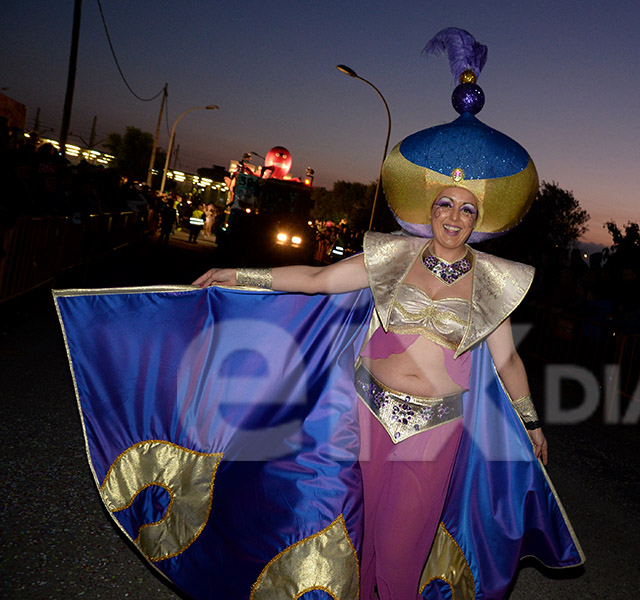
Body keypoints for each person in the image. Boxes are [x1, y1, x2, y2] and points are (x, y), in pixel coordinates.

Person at [55, 28, 581, 600]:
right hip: (362, 418)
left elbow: (506, 362)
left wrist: (530, 423)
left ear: (479, 219)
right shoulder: (390, 256)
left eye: (467, 209)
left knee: (403, 556)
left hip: (434, 431)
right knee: (364, 543)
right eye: (446, 204)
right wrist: (241, 275)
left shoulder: (491, 282)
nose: (455, 216)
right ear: (429, 210)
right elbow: (317, 281)